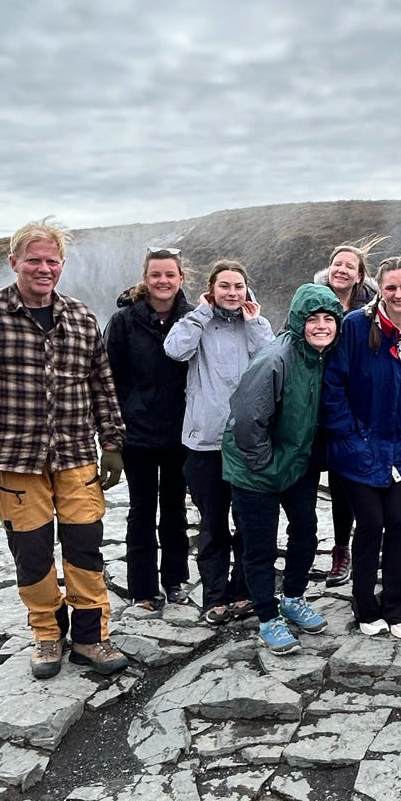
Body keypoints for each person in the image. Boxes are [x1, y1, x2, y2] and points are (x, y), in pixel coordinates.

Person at [0, 218, 126, 680]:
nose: (44, 269)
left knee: (86, 548)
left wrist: (113, 444)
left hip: (77, 455)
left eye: (52, 261)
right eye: (34, 260)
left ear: (61, 265)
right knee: (32, 552)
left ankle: (90, 636)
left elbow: (102, 385)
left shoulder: (81, 317)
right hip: (15, 459)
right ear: (14, 262)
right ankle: (47, 634)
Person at [321, 257, 401, 637]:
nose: (398, 294)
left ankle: (399, 607)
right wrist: (351, 434)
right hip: (356, 448)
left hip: (399, 449)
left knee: (398, 524)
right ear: (379, 289)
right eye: (390, 287)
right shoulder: (356, 327)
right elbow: (333, 385)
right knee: (371, 523)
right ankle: (364, 605)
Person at [221, 283, 344, 655]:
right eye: (313, 319)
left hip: (295, 462)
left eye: (329, 319)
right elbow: (246, 419)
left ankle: (293, 597)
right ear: (297, 322)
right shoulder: (276, 358)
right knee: (260, 547)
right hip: (255, 467)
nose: (321, 326)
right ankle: (267, 616)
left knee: (305, 532)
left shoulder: (322, 357)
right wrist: (265, 466)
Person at [164, 258, 274, 625]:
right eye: (224, 286)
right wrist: (199, 314)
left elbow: (272, 360)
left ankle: (243, 592)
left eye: (238, 286)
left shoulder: (256, 324)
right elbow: (175, 350)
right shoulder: (196, 322)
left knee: (247, 522)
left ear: (247, 290)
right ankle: (214, 597)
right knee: (212, 524)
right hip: (205, 442)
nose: (232, 293)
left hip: (247, 441)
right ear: (211, 290)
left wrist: (255, 322)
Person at [104, 247, 193, 610]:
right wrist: (111, 431)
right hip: (136, 434)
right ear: (145, 279)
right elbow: (108, 377)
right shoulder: (124, 321)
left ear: (181, 279)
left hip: (180, 433)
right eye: (156, 275)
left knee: (175, 509)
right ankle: (142, 589)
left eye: (170, 275)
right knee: (141, 510)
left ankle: (175, 581)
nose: (163, 281)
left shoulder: (193, 318)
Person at [312, 244, 377, 586]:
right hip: (314, 400)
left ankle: (341, 549)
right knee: (305, 478)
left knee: (343, 480)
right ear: (329, 267)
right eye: (337, 263)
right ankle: (303, 546)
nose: (342, 270)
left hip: (352, 403)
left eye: (350, 266)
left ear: (360, 275)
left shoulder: (369, 310)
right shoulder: (314, 299)